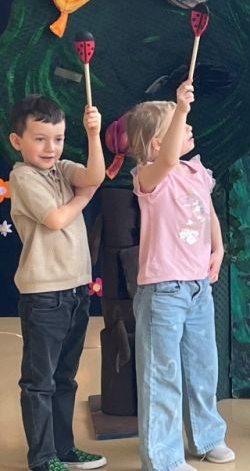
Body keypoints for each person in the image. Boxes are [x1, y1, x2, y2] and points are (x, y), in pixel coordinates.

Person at [126, 80, 234, 471]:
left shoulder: (196, 171)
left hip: (198, 287)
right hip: (163, 290)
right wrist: (181, 108)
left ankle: (207, 437)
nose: (188, 126)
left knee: (203, 367)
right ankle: (163, 459)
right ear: (157, 144)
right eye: (178, 125)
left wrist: (217, 248)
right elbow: (168, 160)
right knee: (162, 375)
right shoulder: (149, 176)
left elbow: (208, 211)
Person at [8, 95, 107, 471]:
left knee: (65, 377)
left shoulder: (62, 168)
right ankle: (43, 457)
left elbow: (94, 177)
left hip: (76, 290)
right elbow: (55, 219)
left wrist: (93, 135)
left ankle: (64, 449)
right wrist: (85, 197)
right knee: (40, 381)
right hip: (44, 296)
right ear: (17, 141)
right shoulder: (22, 176)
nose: (51, 148)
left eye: (59, 139)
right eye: (40, 139)